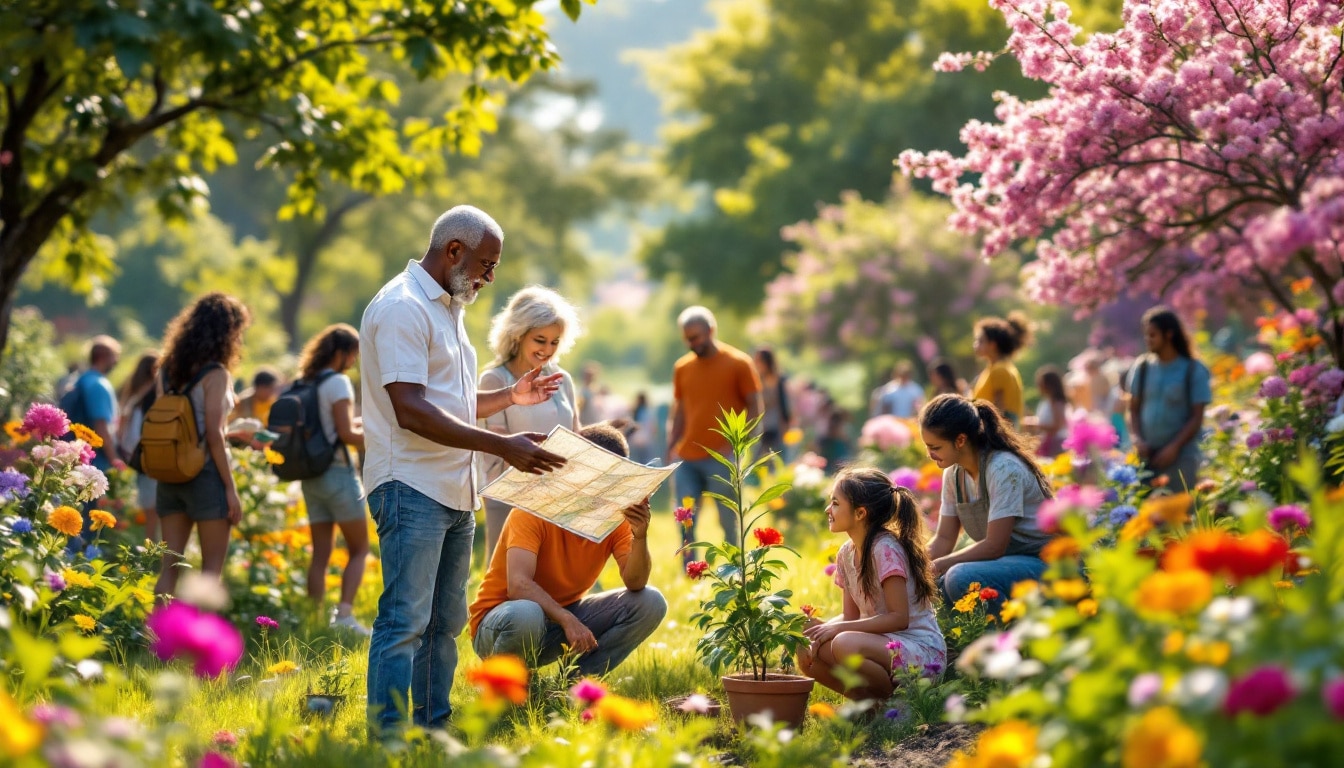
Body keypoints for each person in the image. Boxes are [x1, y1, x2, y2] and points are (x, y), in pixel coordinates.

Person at [361, 205, 567, 734]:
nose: (490, 277)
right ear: (454, 251)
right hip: (410, 485)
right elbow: (410, 409)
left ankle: (433, 726)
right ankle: (388, 735)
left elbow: (448, 403)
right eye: (486, 264)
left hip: (454, 489)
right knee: (405, 619)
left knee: (445, 622)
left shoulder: (448, 307)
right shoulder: (403, 307)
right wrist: (506, 447)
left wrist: (509, 396)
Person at [469, 423, 666, 675]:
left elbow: (636, 583)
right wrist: (567, 620)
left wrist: (640, 536)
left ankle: (574, 688)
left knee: (651, 602)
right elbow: (517, 585)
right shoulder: (533, 508)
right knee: (527, 613)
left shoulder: (616, 519)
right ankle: (508, 688)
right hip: (501, 624)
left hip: (556, 624)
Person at [798, 467, 945, 701]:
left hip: (920, 653)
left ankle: (894, 707)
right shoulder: (846, 553)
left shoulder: (885, 549)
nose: (828, 509)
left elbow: (899, 618)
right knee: (805, 635)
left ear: (860, 513)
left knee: (844, 643)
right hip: (880, 645)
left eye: (836, 503)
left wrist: (837, 630)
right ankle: (867, 706)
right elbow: (850, 618)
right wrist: (819, 631)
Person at [154, 293, 251, 596]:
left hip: (169, 472)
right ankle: (196, 644)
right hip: (206, 476)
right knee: (210, 574)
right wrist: (230, 489)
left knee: (168, 568)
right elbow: (212, 433)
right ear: (228, 332)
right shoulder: (216, 374)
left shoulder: (167, 369)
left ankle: (155, 643)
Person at [478, 286, 584, 562]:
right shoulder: (495, 380)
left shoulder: (563, 379)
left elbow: (576, 435)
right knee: (506, 580)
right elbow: (496, 448)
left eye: (554, 341)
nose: (547, 350)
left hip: (560, 498)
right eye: (540, 340)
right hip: (511, 499)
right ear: (518, 333)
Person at [922, 394, 1054, 613]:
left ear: (960, 440)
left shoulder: (1002, 468)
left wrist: (937, 566)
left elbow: (994, 546)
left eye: (935, 447)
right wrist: (909, 566)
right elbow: (944, 539)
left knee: (958, 577)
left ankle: (1016, 634)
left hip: (1045, 564)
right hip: (1006, 565)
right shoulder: (953, 475)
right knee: (930, 585)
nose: (930, 454)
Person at [667, 306, 763, 560]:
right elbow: (680, 410)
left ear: (711, 330)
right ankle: (690, 571)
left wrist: (738, 445)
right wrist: (671, 444)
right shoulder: (682, 368)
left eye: (696, 337)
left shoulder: (738, 363)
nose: (692, 343)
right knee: (685, 519)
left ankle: (736, 567)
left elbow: (755, 407)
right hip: (687, 457)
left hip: (721, 457)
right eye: (687, 338)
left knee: (727, 519)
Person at [294, 323, 370, 634]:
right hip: (337, 474)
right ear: (340, 353)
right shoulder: (337, 383)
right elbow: (346, 434)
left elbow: (329, 426)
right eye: (352, 355)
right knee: (359, 549)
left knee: (320, 553)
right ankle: (345, 617)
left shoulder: (305, 381)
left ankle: (314, 618)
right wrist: (378, 434)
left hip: (311, 476)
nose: (353, 362)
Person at [1127, 307, 1211, 490]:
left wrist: (1173, 447)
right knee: (1147, 515)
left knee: (1180, 515)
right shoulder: (1141, 368)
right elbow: (1133, 408)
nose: (1147, 340)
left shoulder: (1193, 370)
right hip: (1147, 459)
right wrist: (1137, 439)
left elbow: (1197, 417)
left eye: (1153, 335)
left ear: (1169, 334)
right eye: (1146, 335)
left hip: (1181, 457)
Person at [61, 335, 124, 472]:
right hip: (94, 461)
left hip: (77, 455)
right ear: (103, 357)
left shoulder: (83, 379)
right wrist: (114, 459)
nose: (116, 362)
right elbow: (100, 425)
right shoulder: (98, 385)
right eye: (115, 356)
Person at [117, 350, 161, 542]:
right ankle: (152, 549)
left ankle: (148, 546)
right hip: (151, 455)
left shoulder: (134, 393)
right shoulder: (154, 393)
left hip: (135, 456)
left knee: (149, 508)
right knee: (154, 511)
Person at [971, 313, 1032, 425]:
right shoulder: (999, 368)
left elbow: (998, 410)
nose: (975, 345)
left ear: (993, 345)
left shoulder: (1000, 370)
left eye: (980, 341)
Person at [753, 346, 793, 458]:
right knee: (758, 460)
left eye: (758, 360)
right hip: (761, 427)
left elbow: (785, 405)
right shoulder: (757, 379)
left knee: (776, 458)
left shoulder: (779, 380)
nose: (756, 364)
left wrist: (785, 426)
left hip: (776, 426)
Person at [1031, 365, 1069, 458]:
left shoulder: (1056, 402)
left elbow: (1057, 426)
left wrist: (1035, 424)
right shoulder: (1046, 402)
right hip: (1048, 442)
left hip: (1056, 443)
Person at [629, 392, 658, 466]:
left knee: (637, 460)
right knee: (647, 460)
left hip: (636, 439)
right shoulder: (648, 411)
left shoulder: (634, 411)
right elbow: (652, 427)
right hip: (646, 439)